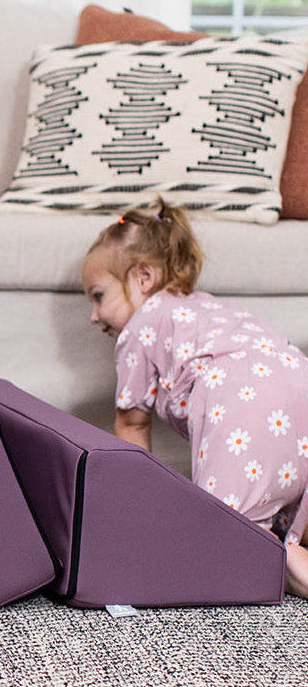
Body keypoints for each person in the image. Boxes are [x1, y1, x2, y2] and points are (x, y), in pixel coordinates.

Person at [81, 198, 308, 597]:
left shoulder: (139, 329)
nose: (94, 316)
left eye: (98, 296)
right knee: (283, 500)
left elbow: (131, 426)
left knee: (223, 538)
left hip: (241, 391)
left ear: (143, 277)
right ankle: (292, 542)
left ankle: (283, 562)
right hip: (297, 373)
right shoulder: (203, 304)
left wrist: (135, 511)